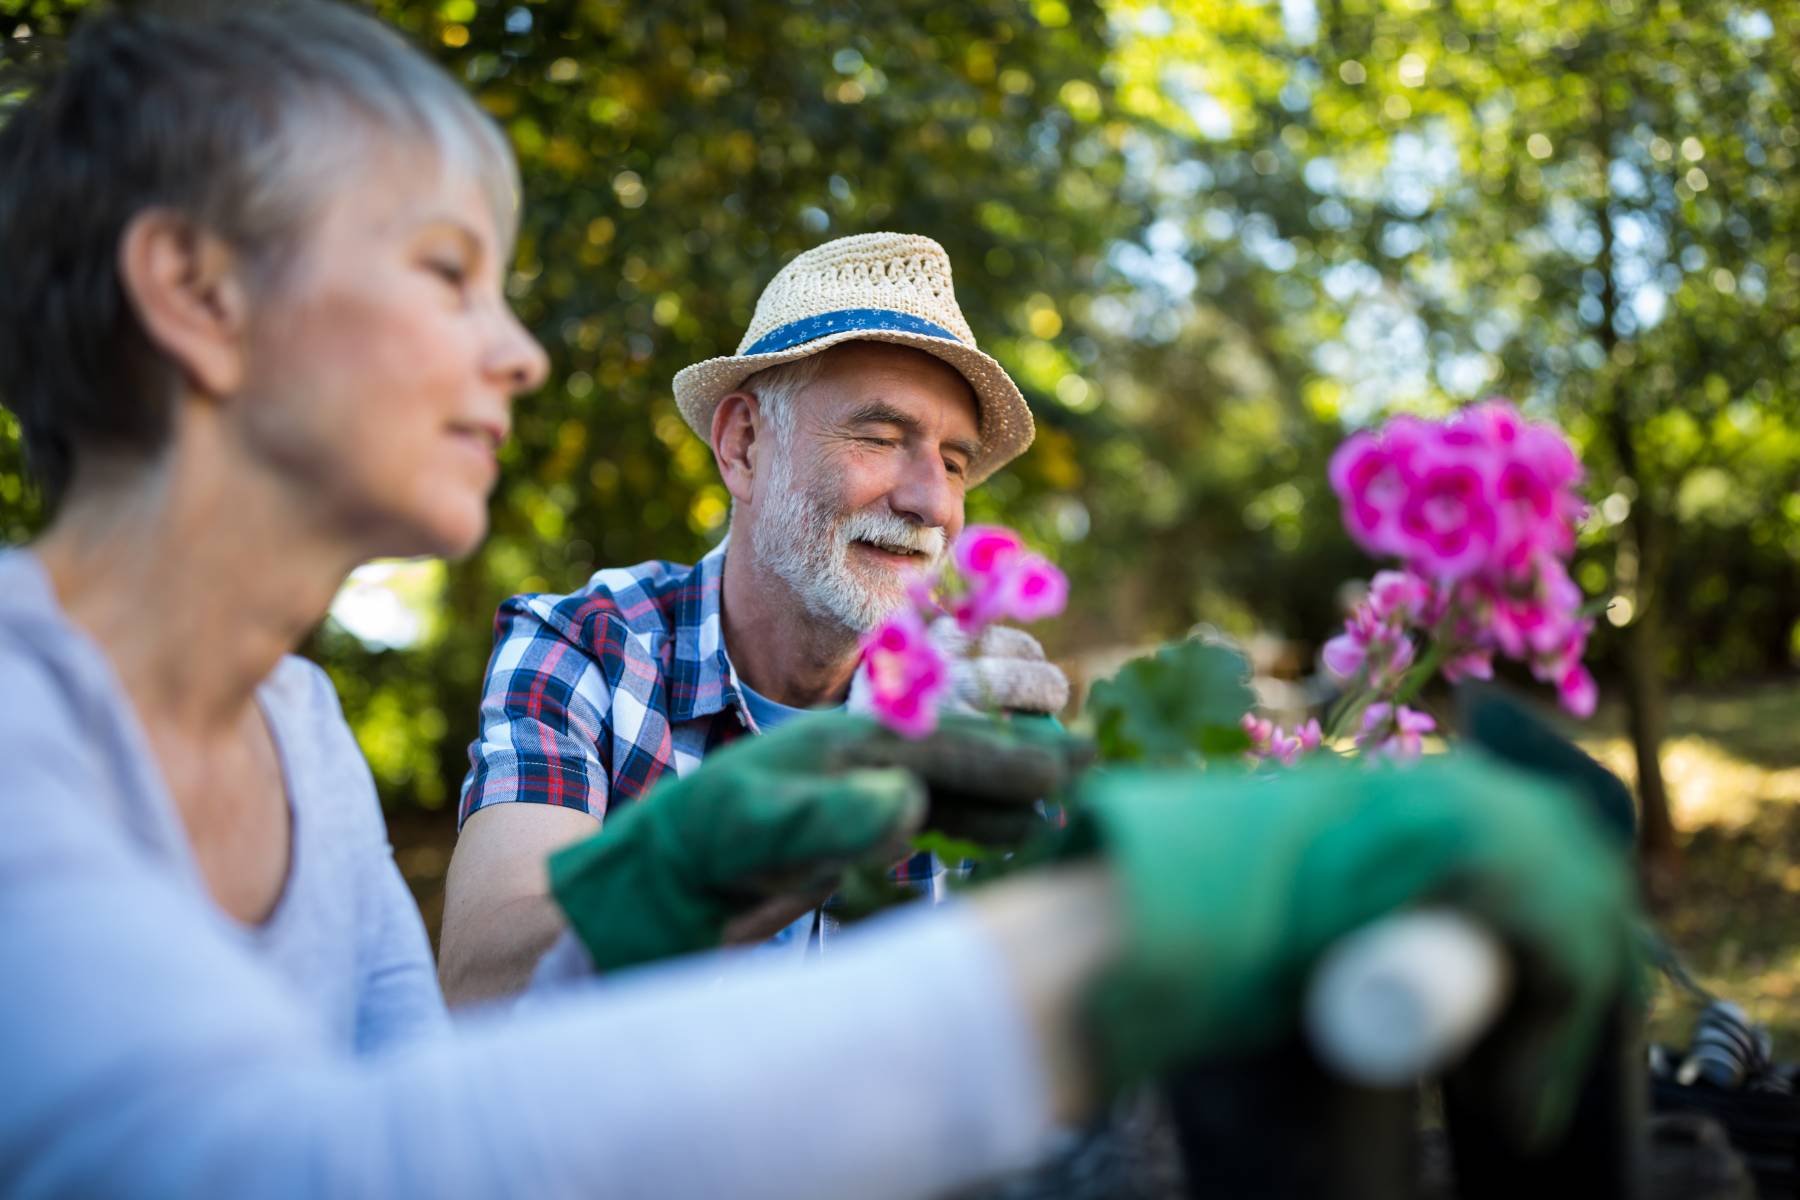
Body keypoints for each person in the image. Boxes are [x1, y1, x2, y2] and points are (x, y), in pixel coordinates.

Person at [0, 3, 1638, 1196]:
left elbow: (434, 1096)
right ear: (200, 295)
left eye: (954, 456)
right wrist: (1128, 928)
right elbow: (300, 1166)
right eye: (446, 273)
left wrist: (685, 884)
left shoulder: (297, 734)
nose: (521, 352)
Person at [440, 232, 1071, 1004]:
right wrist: (736, 849)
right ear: (742, 446)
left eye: (952, 462)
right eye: (879, 437)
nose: (932, 503)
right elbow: (482, 980)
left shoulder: (969, 701)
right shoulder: (589, 645)